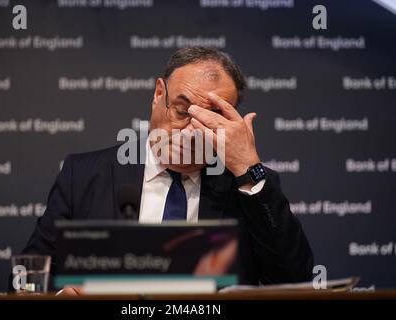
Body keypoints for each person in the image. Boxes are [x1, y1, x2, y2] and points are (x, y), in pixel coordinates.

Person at [19, 47, 314, 294]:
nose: (189, 132)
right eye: (182, 111)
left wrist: (250, 169)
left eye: (210, 120)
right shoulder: (83, 176)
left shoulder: (249, 187)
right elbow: (24, 281)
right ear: (159, 95)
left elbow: (295, 282)